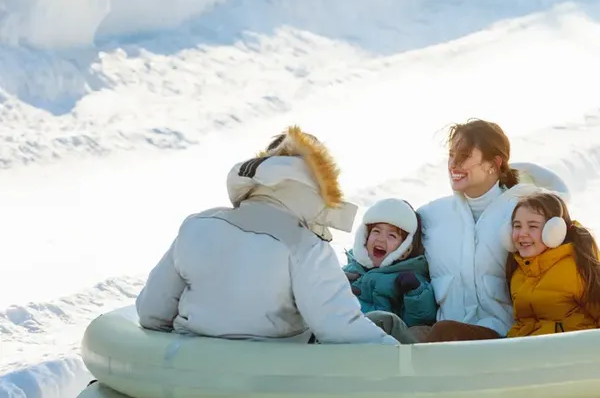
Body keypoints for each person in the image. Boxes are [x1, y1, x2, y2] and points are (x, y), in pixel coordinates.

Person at [134, 126, 399, 345]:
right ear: (319, 190)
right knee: (382, 321)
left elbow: (151, 313)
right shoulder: (305, 246)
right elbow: (340, 327)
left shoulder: (197, 225)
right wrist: (397, 354)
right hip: (269, 382)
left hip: (186, 369)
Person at [409, 118, 571, 343]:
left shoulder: (525, 213)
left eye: (464, 155)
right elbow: (393, 254)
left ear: (494, 164)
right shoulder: (432, 216)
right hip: (445, 343)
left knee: (444, 333)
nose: (453, 164)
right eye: (451, 154)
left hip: (506, 339)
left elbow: (564, 269)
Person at [504, 192, 600, 337]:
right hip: (531, 353)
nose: (522, 233)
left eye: (532, 226)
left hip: (569, 355)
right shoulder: (519, 273)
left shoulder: (576, 269)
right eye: (517, 226)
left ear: (554, 231)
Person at [342, 198, 436, 330]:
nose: (381, 239)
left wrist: (415, 293)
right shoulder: (351, 269)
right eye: (376, 231)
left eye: (392, 235)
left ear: (404, 249)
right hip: (339, 332)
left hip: (381, 339)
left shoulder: (406, 277)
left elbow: (419, 320)